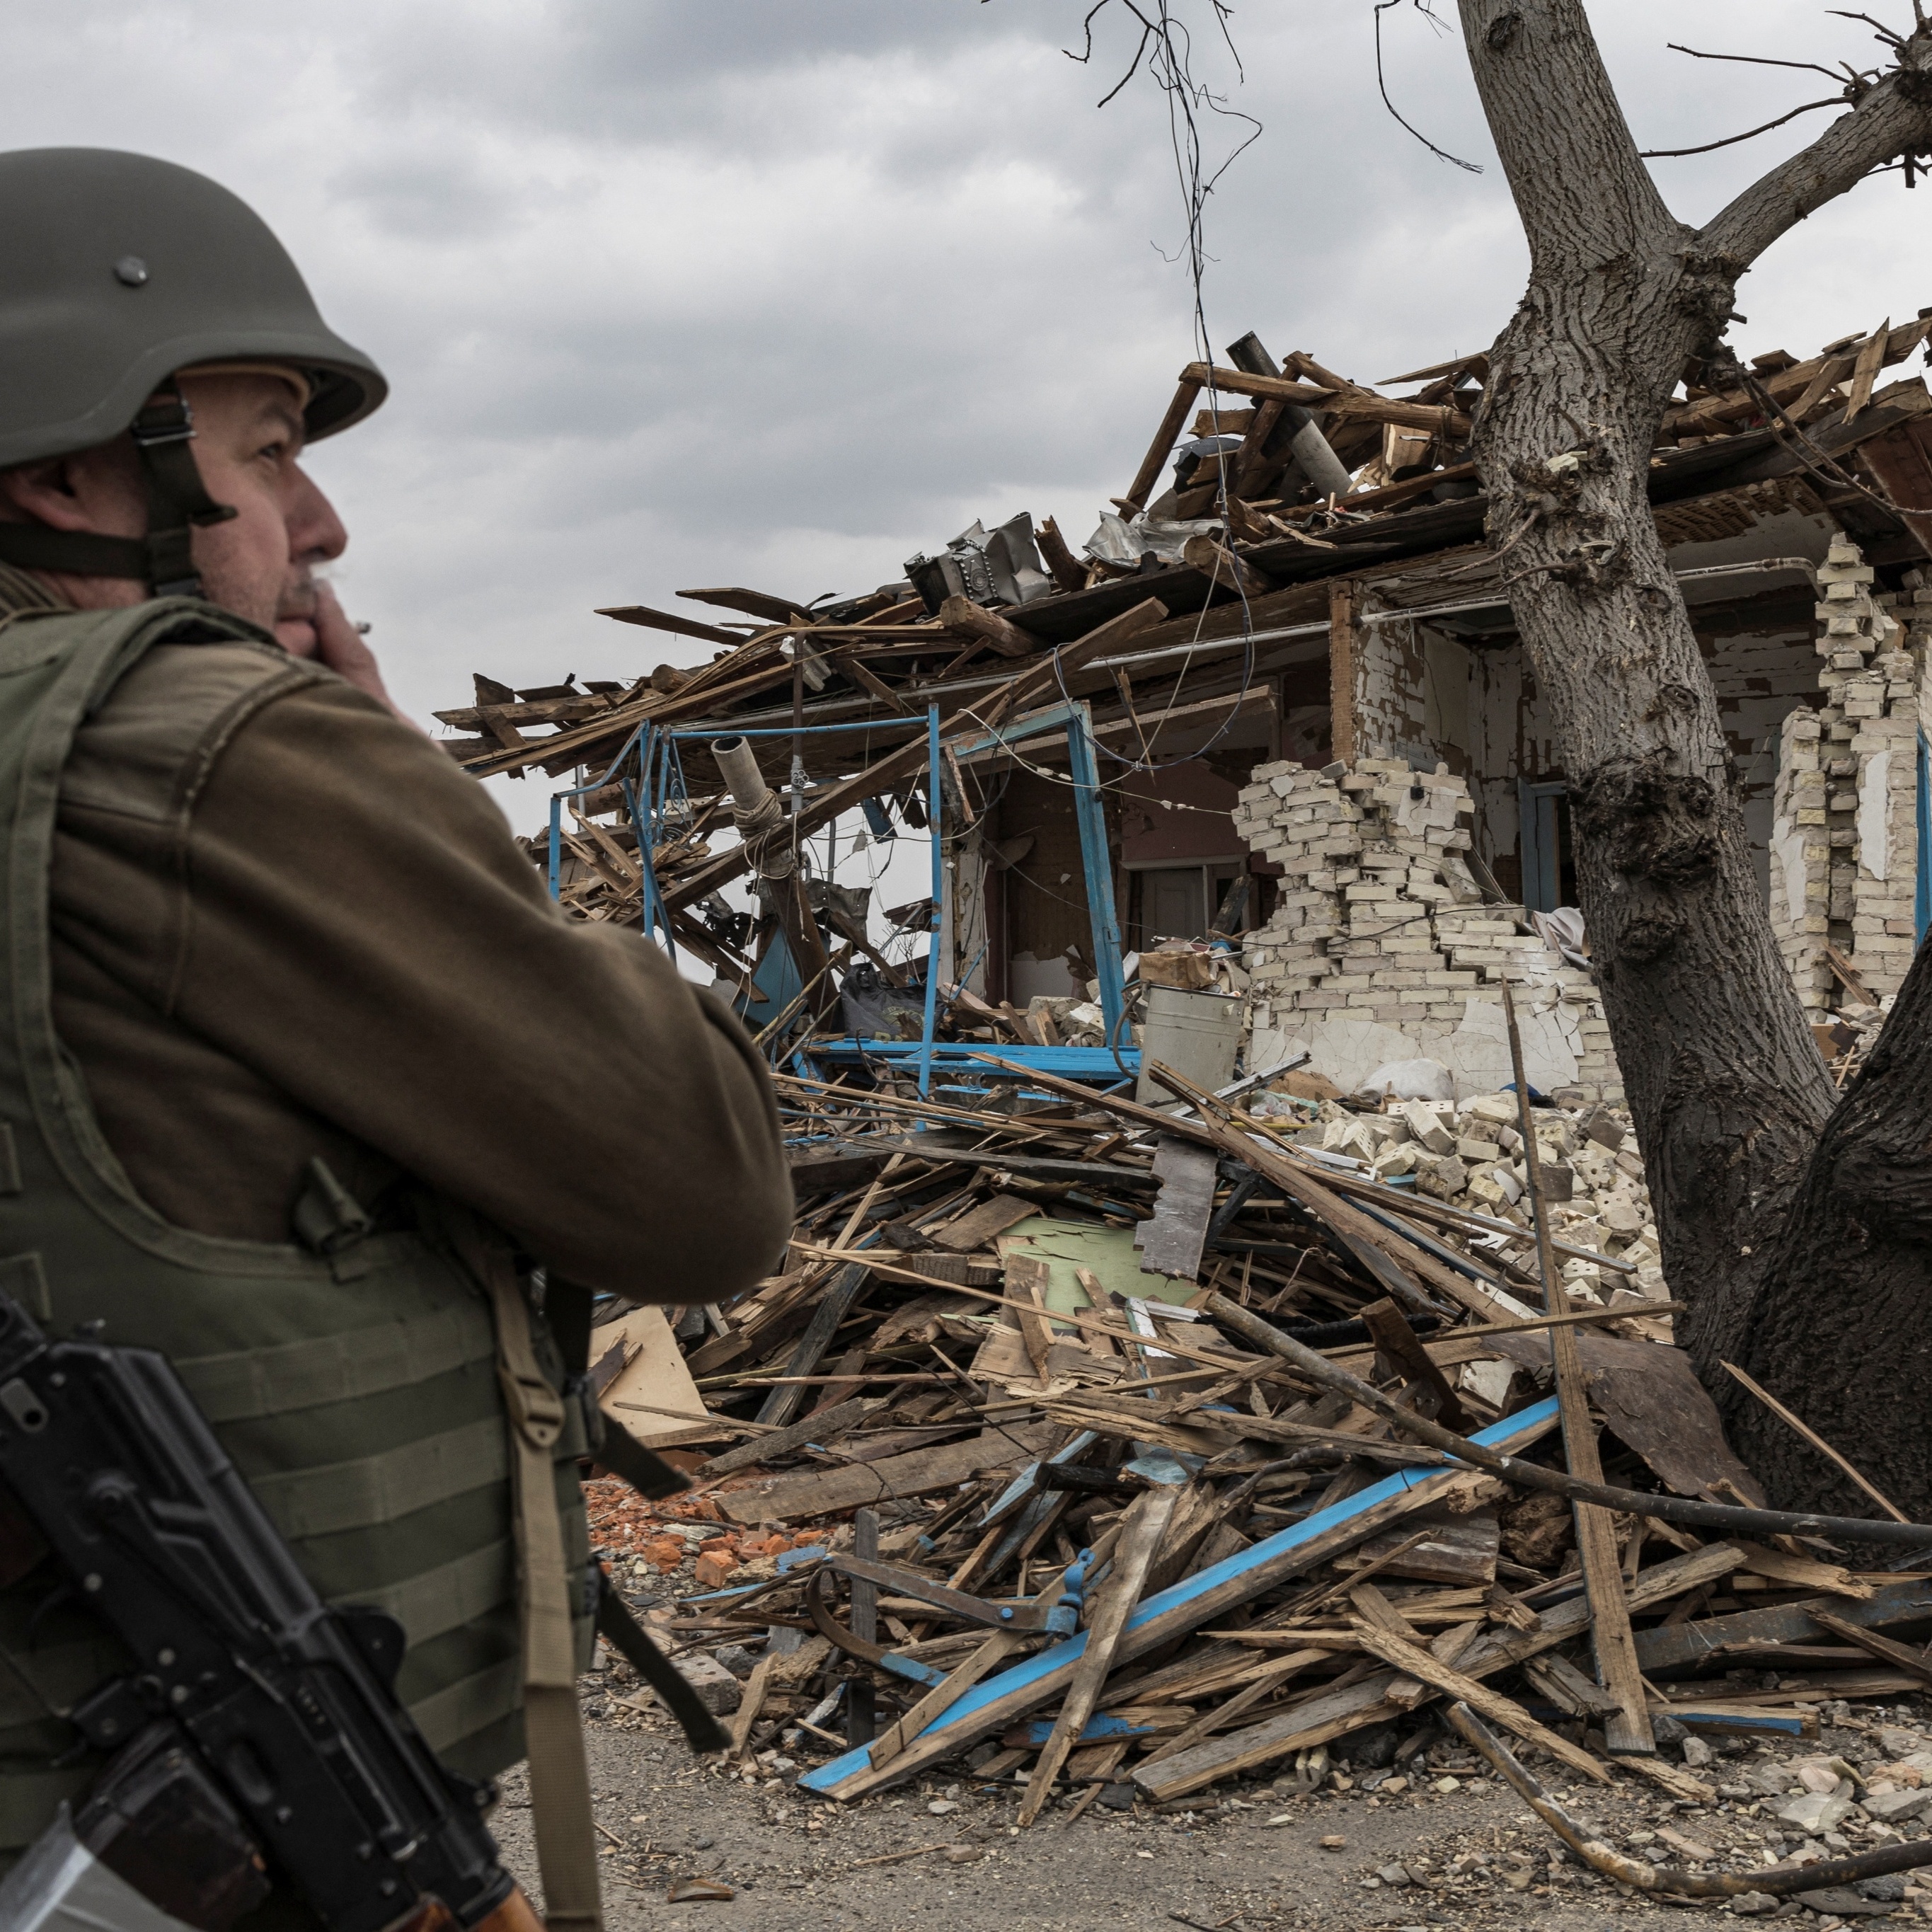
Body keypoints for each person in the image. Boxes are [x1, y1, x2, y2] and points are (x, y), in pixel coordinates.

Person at [0, 147, 791, 1927]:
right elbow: (706, 1188)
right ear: (66, 465)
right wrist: (403, 784)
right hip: (176, 1833)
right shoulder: (205, 746)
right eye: (268, 448)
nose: (325, 522)